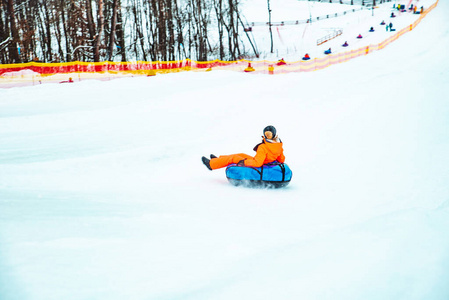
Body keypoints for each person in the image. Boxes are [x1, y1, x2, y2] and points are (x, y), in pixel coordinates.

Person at [202, 125, 285, 171]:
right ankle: (218, 160)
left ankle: (211, 164)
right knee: (241, 154)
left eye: (268, 135)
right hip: (265, 162)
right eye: (266, 134)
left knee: (234, 158)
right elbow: (281, 159)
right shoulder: (278, 145)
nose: (267, 136)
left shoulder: (263, 147)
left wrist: (244, 162)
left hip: (260, 163)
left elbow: (258, 163)